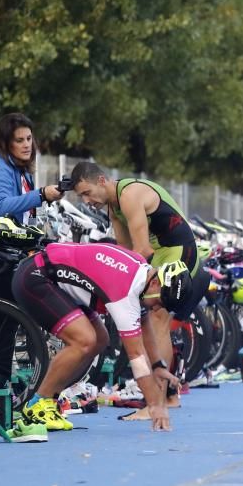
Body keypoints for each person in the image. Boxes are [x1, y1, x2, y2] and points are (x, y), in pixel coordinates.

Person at [71, 162, 208, 418]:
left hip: (179, 253)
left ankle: (156, 402)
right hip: (163, 255)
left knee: (156, 319)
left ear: (102, 180)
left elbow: (142, 251)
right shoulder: (114, 208)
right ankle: (167, 396)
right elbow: (126, 254)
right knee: (151, 318)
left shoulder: (129, 195)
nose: (87, 201)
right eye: (81, 197)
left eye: (87, 193)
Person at [14, 243, 187, 431]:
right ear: (155, 283)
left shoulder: (143, 273)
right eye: (160, 302)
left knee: (100, 339)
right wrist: (154, 405)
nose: (157, 308)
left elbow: (144, 324)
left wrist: (157, 366)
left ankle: (50, 399)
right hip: (36, 277)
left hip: (56, 280)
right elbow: (136, 356)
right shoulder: (125, 292)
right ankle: (37, 404)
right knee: (84, 340)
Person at [0, 113, 66, 390]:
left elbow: (25, 213)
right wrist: (42, 194)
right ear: (5, 143)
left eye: (29, 138)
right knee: (0, 319)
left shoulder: (21, 171)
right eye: (18, 140)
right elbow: (1, 205)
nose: (26, 144)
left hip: (8, 250)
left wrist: (35, 236)